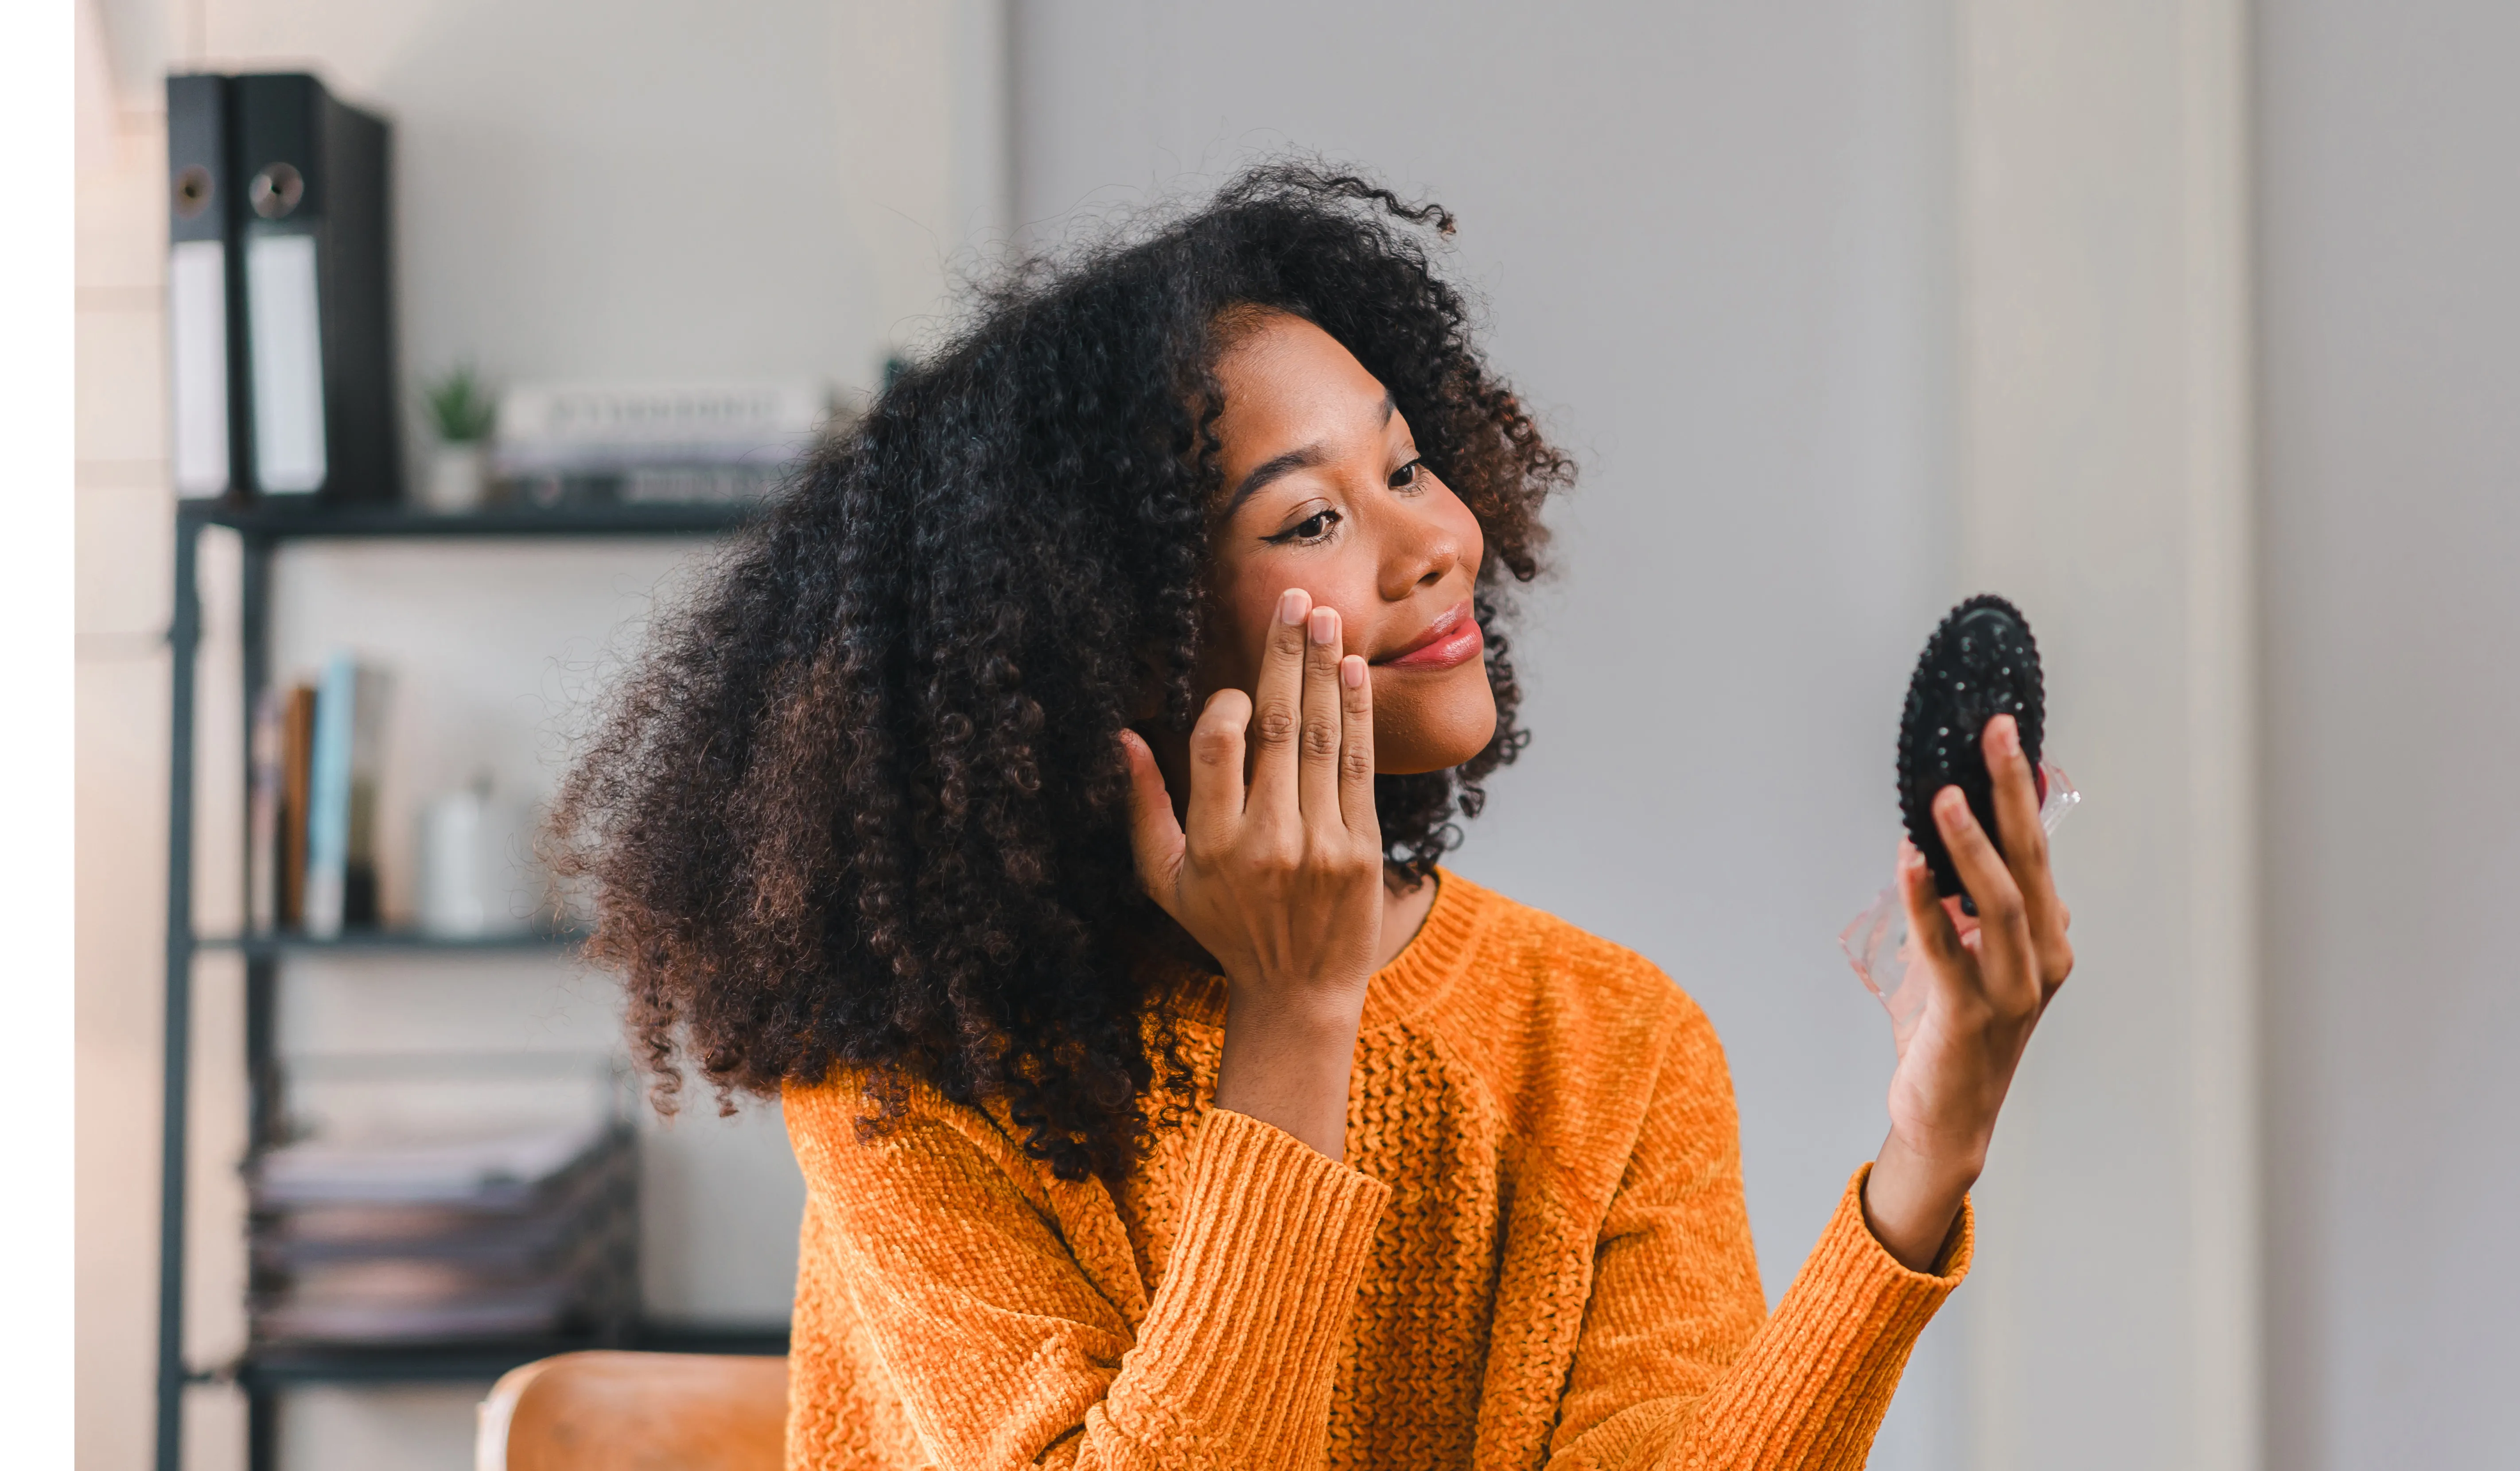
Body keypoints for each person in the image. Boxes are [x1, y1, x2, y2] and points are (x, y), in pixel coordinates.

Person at [554, 167, 2073, 1470]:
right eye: (1313, 520)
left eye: (1407, 464)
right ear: (1107, 648)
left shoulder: (1608, 1041)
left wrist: (1925, 1153)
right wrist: (1296, 1016)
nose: (1435, 542)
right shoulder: (916, 1083)